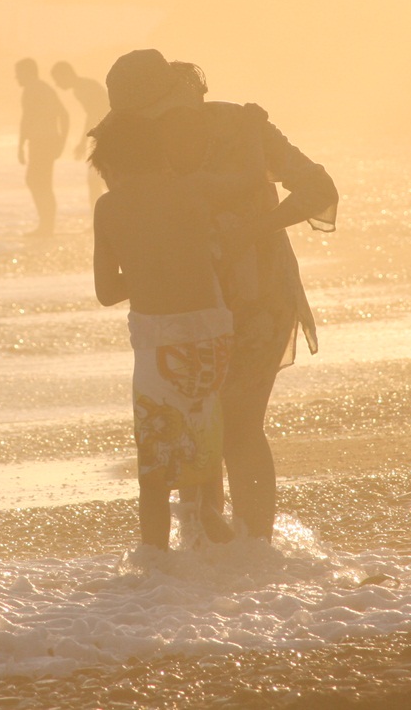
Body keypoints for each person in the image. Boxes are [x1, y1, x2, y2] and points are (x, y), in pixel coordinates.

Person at [105, 49, 338, 542]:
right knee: (199, 423)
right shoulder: (136, 145)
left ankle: (254, 548)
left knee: (239, 426)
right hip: (187, 306)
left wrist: (254, 230)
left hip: (259, 296)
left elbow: (318, 188)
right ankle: (208, 548)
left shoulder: (243, 126)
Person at [90, 111, 238, 550]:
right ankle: (213, 532)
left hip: (159, 337)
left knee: (156, 465)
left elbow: (105, 291)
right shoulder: (192, 194)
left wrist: (141, 273)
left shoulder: (110, 206)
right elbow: (215, 255)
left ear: (113, 168)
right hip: (212, 327)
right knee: (205, 440)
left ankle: (155, 569)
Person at [15, 57, 69, 237]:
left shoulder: (35, 89)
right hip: (43, 142)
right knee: (39, 182)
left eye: (18, 73)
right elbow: (63, 115)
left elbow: (62, 115)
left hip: (42, 142)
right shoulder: (40, 89)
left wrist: (20, 145)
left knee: (38, 182)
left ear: (28, 72)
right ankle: (46, 225)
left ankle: (46, 227)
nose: (16, 78)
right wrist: (61, 141)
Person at [52, 60, 111, 208]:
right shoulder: (81, 87)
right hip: (105, 134)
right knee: (100, 179)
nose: (57, 84)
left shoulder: (83, 88)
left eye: (58, 79)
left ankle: (100, 218)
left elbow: (93, 115)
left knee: (97, 180)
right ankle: (99, 216)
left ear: (67, 74)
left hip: (106, 136)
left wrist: (83, 142)